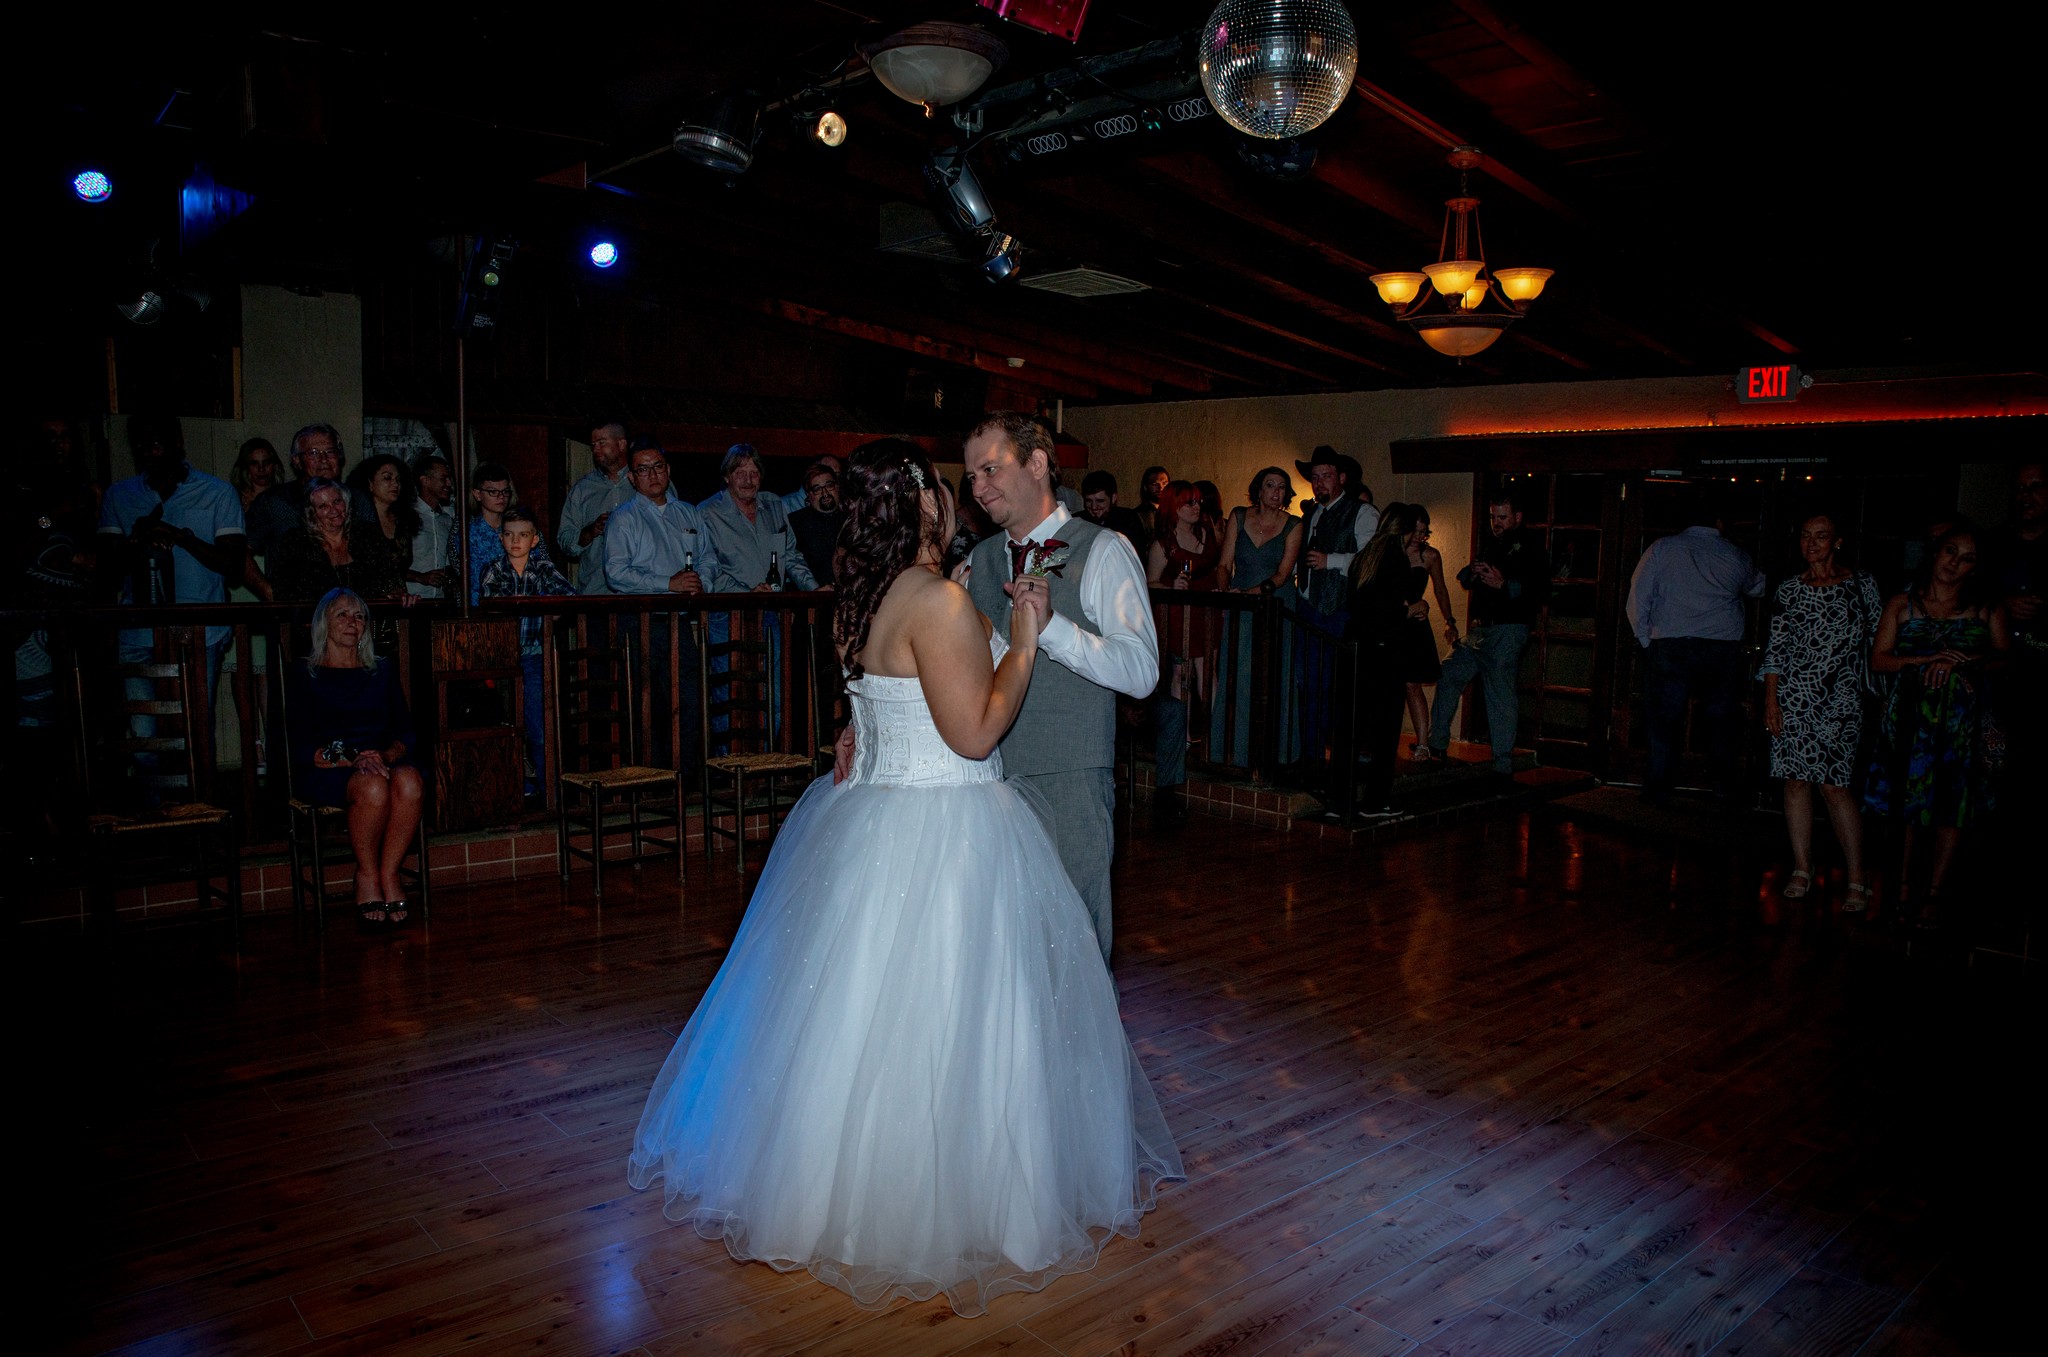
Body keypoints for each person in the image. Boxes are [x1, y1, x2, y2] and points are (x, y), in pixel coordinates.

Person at [627, 437, 1180, 1316]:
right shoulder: (944, 600)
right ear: (921, 502)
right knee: (954, 1022)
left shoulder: (867, 595)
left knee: (859, 1017)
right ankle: (965, 1201)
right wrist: (1028, 641)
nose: (963, 493)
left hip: (874, 822)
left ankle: (821, 1195)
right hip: (950, 821)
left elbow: (877, 709)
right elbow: (975, 732)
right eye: (945, 484)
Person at [963, 412, 1159, 960]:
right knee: (1003, 949)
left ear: (1038, 463)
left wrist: (1052, 630)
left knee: (1074, 945)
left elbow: (1142, 673)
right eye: (972, 477)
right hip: (989, 781)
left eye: (990, 469)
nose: (978, 488)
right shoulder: (978, 561)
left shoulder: (1103, 549)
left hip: (1068, 778)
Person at [1864, 523, 2010, 927]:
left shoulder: (1988, 608)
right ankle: (1901, 887)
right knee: (1906, 805)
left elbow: (2006, 658)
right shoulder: (1902, 604)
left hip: (1965, 722)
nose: (1955, 563)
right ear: (1935, 552)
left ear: (1976, 568)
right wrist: (1924, 662)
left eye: (1967, 559)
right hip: (1911, 718)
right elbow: (1879, 659)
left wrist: (1965, 660)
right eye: (1950, 551)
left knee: (1955, 806)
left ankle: (1935, 896)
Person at [1759, 514, 1884, 910]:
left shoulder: (1861, 586)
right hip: (1795, 697)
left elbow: (1881, 641)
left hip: (1841, 698)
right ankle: (1801, 866)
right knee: (1795, 781)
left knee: (1835, 786)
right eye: (1806, 535)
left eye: (1822, 536)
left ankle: (1857, 877)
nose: (1812, 544)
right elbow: (1775, 648)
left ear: (1838, 541)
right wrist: (1771, 699)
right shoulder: (1790, 589)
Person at [284, 588, 424, 931]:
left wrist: (385, 755)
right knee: (374, 788)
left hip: (377, 761)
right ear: (323, 624)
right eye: (342, 615)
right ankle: (366, 874)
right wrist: (352, 758)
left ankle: (389, 873)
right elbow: (298, 744)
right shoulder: (304, 675)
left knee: (409, 781)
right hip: (329, 767)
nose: (352, 622)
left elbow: (407, 733)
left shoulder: (381, 671)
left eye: (359, 616)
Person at [95, 415, 247, 720]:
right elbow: (106, 571)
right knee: (144, 736)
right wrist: (138, 538)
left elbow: (233, 566)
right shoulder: (120, 495)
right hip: (137, 633)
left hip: (198, 632)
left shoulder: (216, 492)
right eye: (141, 444)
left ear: (177, 443)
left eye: (156, 443)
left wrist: (179, 537)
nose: (149, 451)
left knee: (194, 733)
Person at [1624, 490, 1767, 804]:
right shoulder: (1735, 555)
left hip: (1671, 642)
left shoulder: (1662, 549)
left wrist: (1646, 639)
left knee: (1663, 721)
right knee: (1721, 720)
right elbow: (1758, 587)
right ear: (1719, 523)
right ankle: (1722, 785)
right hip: (1722, 646)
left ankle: (1659, 788)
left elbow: (1638, 595)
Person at [1423, 491, 1550, 781]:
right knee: (1448, 672)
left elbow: (1541, 589)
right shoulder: (1492, 544)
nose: (1496, 522)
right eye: (1493, 516)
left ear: (1517, 517)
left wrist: (1504, 585)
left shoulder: (1531, 547)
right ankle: (1437, 743)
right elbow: (1466, 577)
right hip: (1481, 629)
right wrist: (1473, 573)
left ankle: (1502, 764)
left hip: (1508, 628)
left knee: (1499, 693)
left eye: (1502, 517)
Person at [605, 443, 711, 771]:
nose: (653, 474)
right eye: (643, 469)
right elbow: (616, 573)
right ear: (632, 478)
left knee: (689, 701)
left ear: (668, 469)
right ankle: (651, 782)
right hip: (641, 623)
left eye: (658, 466)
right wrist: (669, 583)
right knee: (647, 707)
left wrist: (699, 581)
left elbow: (709, 558)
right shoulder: (624, 519)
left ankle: (688, 779)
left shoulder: (688, 513)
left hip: (679, 622)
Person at [480, 507, 576, 797]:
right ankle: (510, 786)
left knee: (538, 723)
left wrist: (551, 610)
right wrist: (530, 603)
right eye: (509, 534)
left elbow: (568, 595)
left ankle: (549, 790)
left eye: (523, 535)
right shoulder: (493, 569)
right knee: (506, 722)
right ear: (500, 537)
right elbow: (492, 603)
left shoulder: (543, 567)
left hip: (534, 655)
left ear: (534, 539)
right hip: (502, 657)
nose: (516, 541)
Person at [1212, 465, 1303, 768]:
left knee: (1275, 674)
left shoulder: (1293, 524)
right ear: (1259, 489)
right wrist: (1227, 592)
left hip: (1275, 604)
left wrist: (1249, 595)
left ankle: (1276, 752)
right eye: (1270, 486)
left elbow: (1282, 574)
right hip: (1241, 605)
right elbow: (1224, 564)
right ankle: (1233, 749)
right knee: (1237, 673)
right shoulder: (1239, 516)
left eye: (1281, 487)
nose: (1276, 492)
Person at [1296, 448, 1378, 774]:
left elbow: (1370, 559)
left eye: (1325, 476)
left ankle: (1343, 755)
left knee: (1339, 686)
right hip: (1308, 608)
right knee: (1309, 683)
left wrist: (1332, 561)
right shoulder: (1312, 515)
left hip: (1341, 610)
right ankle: (1311, 755)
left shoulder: (1363, 512)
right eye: (1315, 478)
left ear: (1341, 478)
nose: (1319, 483)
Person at [1146, 481, 1221, 821]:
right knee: (1180, 673)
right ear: (1172, 507)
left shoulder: (1209, 532)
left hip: (1207, 610)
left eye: (1197, 502)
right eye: (1188, 503)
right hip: (1178, 613)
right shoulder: (1164, 544)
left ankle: (1210, 735)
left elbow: (1219, 566)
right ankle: (1185, 740)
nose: (1195, 508)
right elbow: (1148, 582)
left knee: (1210, 671)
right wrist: (1169, 585)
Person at [1345, 505, 1424, 818]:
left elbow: (1357, 604)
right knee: (1386, 728)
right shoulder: (1395, 559)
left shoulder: (1366, 556)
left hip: (1359, 648)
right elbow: (1389, 608)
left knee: (1355, 725)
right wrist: (1414, 609)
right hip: (1385, 650)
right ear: (1404, 531)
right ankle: (1376, 801)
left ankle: (1344, 799)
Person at [698, 444, 817, 592]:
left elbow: (790, 556)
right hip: (728, 611)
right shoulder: (708, 513)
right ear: (727, 477)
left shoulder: (774, 505)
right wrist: (748, 596)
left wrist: (813, 589)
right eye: (740, 473)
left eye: (754, 473)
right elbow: (708, 568)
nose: (748, 481)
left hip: (774, 609)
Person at [269, 478, 405, 605]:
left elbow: (390, 580)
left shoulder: (366, 535)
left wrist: (397, 594)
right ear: (312, 514)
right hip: (316, 626)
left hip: (367, 621)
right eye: (323, 506)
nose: (333, 510)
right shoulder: (296, 543)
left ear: (346, 503)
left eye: (337, 501)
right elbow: (286, 594)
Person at [1399, 505, 1458, 759]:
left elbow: (1441, 589)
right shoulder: (1391, 553)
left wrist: (1450, 620)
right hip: (1394, 620)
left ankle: (1423, 742)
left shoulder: (1430, 556)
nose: (1418, 537)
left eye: (1423, 532)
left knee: (1413, 684)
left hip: (1414, 624)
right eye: (1415, 531)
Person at [558, 420, 635, 595]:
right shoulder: (583, 489)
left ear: (621, 444)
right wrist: (590, 532)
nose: (595, 450)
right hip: (596, 594)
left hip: (637, 595)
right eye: (593, 445)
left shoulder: (645, 483)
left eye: (602, 443)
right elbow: (565, 540)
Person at [246, 423, 346, 555]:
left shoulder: (357, 499)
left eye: (330, 452)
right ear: (297, 460)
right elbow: (241, 552)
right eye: (314, 453)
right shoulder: (273, 502)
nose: (323, 459)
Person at [466, 462, 555, 604]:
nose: (501, 497)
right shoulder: (467, 535)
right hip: (483, 610)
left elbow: (545, 568)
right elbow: (472, 580)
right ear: (477, 494)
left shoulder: (525, 527)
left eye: (505, 491)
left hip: (528, 608)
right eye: (493, 492)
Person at [346, 454, 421, 579]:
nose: (395, 484)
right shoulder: (355, 520)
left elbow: (398, 569)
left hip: (399, 597)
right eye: (387, 478)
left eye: (398, 479)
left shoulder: (402, 521)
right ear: (369, 483)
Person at [405, 455, 457, 599]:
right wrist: (419, 577)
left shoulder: (447, 520)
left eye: (449, 479)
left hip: (440, 602)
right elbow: (391, 565)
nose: (448, 484)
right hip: (411, 601)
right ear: (425, 481)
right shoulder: (406, 517)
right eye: (443, 479)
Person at [786, 459, 844, 586]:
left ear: (837, 487)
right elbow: (791, 562)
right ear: (809, 494)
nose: (825, 493)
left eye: (829, 485)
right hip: (812, 599)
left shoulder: (853, 518)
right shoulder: (795, 523)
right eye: (817, 489)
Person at [1080, 470, 1146, 547]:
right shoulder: (1078, 521)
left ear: (1113, 498)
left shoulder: (1128, 520)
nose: (1094, 507)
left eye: (1100, 501)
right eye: (1088, 501)